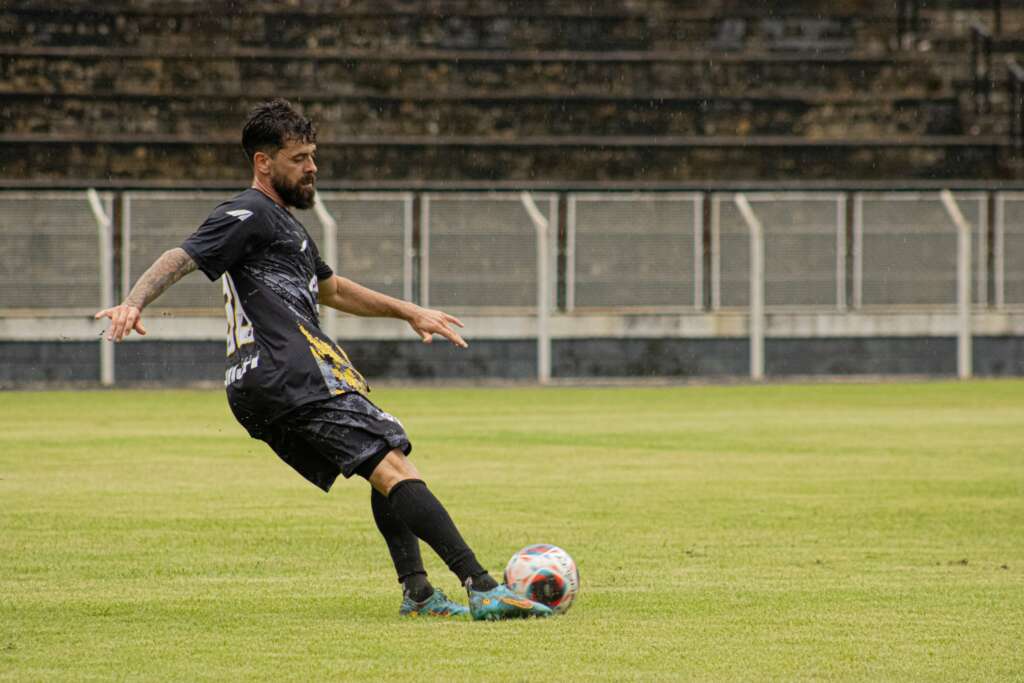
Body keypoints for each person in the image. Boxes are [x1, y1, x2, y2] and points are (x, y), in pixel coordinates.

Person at [94, 98, 551, 621]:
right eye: (299, 157)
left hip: (270, 380)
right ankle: (483, 587)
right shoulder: (248, 211)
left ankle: (420, 593)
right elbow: (183, 255)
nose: (312, 167)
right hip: (291, 371)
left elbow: (331, 290)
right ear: (263, 162)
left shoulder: (284, 226)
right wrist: (133, 301)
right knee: (392, 462)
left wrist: (409, 312)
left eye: (313, 155)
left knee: (389, 453)